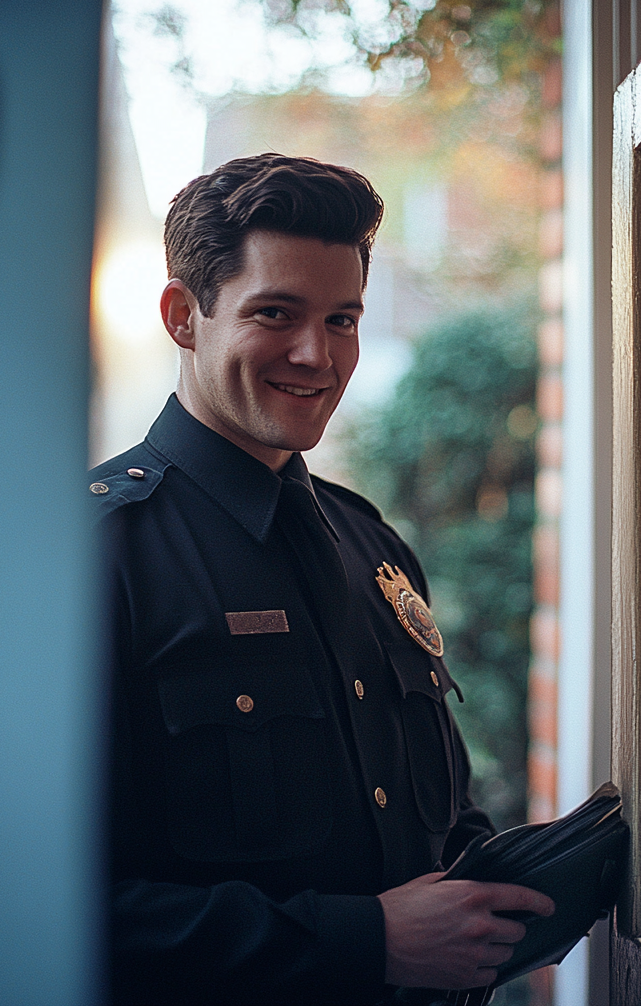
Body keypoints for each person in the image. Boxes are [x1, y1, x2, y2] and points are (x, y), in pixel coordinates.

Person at [90, 153, 554, 1006]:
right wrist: (364, 941)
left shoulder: (372, 545)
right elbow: (39, 909)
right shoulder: (89, 559)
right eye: (277, 313)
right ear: (182, 316)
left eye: (343, 320)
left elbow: (442, 828)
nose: (317, 354)